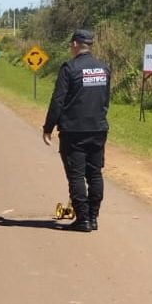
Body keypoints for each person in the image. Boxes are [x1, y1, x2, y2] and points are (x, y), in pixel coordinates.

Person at [42, 29, 111, 232]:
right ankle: (93, 217)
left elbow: (57, 101)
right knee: (95, 174)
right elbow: (106, 99)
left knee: (76, 175)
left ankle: (83, 220)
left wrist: (48, 128)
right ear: (89, 45)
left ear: (74, 45)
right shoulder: (104, 68)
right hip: (98, 129)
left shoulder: (69, 68)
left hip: (74, 131)